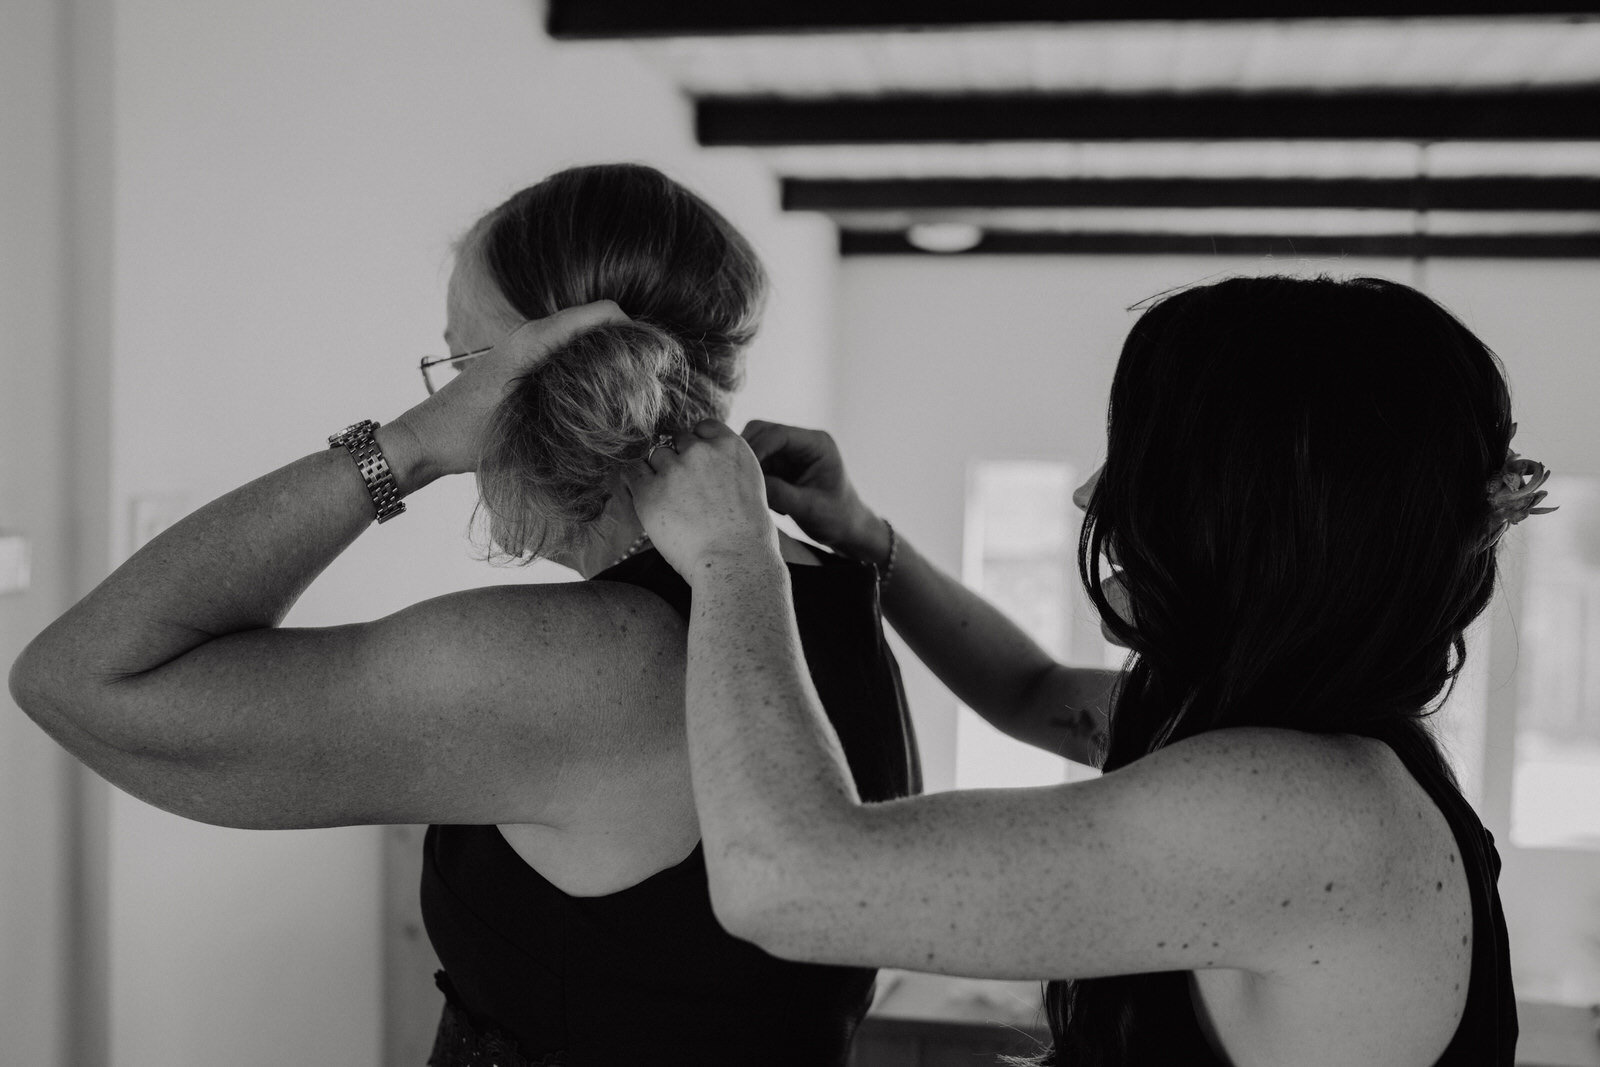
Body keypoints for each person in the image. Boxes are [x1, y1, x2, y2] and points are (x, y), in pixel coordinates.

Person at [8, 163, 921, 1066]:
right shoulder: (829, 584)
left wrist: (405, 444)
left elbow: (85, 677)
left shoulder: (580, 665)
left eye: (457, 365)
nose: (450, 398)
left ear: (530, 378)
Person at [623, 275, 1545, 1066]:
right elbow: (1027, 690)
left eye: (1143, 467)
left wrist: (734, 560)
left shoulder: (1301, 810)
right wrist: (866, 538)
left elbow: (785, 881)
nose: (1089, 495)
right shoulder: (1276, 748)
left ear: (1256, 523)